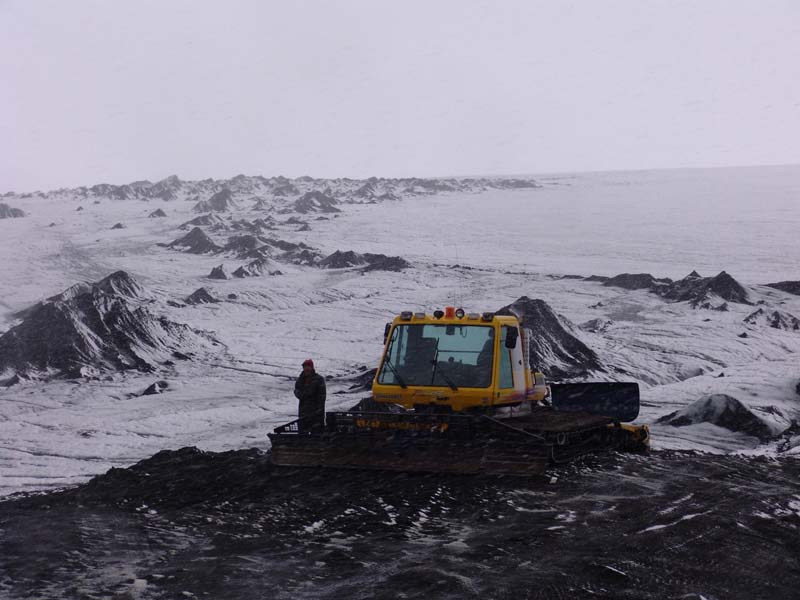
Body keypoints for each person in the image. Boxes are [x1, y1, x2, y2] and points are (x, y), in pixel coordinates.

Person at [294, 358, 326, 432]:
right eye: (305, 367)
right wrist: (301, 394)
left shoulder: (319, 380)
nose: (306, 368)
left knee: (317, 435)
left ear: (312, 367)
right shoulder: (300, 380)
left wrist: (318, 412)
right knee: (303, 436)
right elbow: (297, 391)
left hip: (316, 415)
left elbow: (322, 397)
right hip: (303, 414)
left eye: (308, 366)